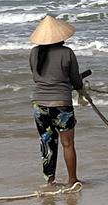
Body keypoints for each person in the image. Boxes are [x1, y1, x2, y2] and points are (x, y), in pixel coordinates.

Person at [29, 15, 84, 186]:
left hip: (39, 105)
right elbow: (76, 80)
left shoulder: (34, 53)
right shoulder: (67, 53)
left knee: (47, 141)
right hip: (61, 105)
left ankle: (50, 181)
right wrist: (79, 86)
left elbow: (37, 77)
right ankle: (72, 180)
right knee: (67, 144)